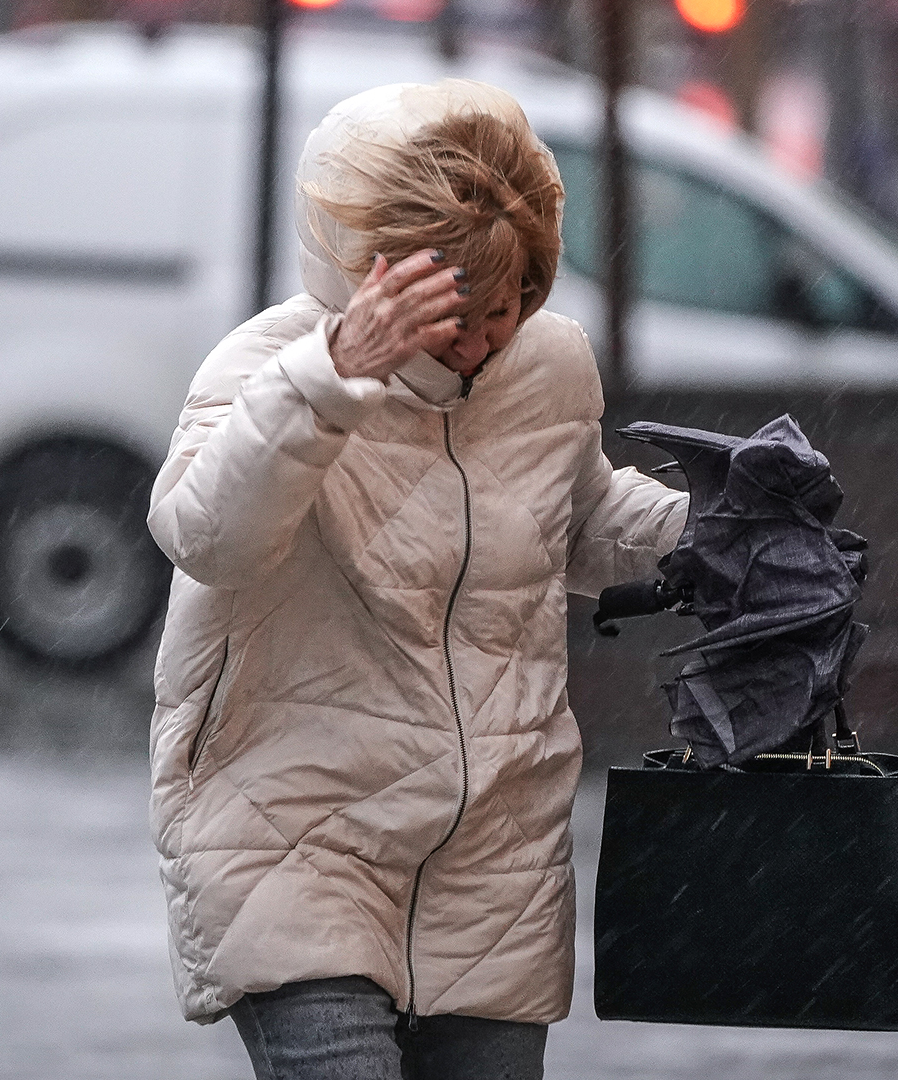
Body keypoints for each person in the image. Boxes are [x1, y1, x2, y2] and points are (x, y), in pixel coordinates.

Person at [145, 80, 688, 1080]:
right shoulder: (268, 366)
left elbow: (575, 525)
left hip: (492, 859)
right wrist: (330, 376)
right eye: (460, 313)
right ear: (376, 274)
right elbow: (202, 534)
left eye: (512, 304)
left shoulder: (553, 367)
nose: (486, 338)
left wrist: (717, 538)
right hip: (297, 835)